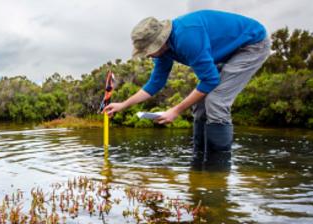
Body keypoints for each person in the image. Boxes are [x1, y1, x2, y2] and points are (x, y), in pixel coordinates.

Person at [103, 10, 271, 155]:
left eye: (148, 50)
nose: (147, 55)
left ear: (160, 41)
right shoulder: (163, 52)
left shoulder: (187, 38)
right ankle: (199, 158)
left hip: (251, 45)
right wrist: (123, 105)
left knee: (216, 101)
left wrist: (175, 111)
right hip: (226, 52)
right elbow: (156, 82)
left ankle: (217, 168)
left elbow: (210, 80)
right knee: (199, 105)